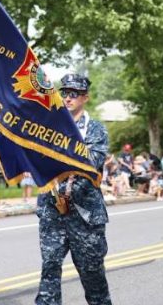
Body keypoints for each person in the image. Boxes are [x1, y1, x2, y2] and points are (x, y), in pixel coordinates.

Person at [37, 74, 112, 305]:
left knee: (92, 275)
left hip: (84, 213)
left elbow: (91, 163)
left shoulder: (95, 129)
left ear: (85, 98)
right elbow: (37, 159)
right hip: (52, 210)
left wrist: (60, 151)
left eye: (74, 94)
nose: (68, 98)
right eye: (64, 93)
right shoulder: (46, 127)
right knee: (49, 269)